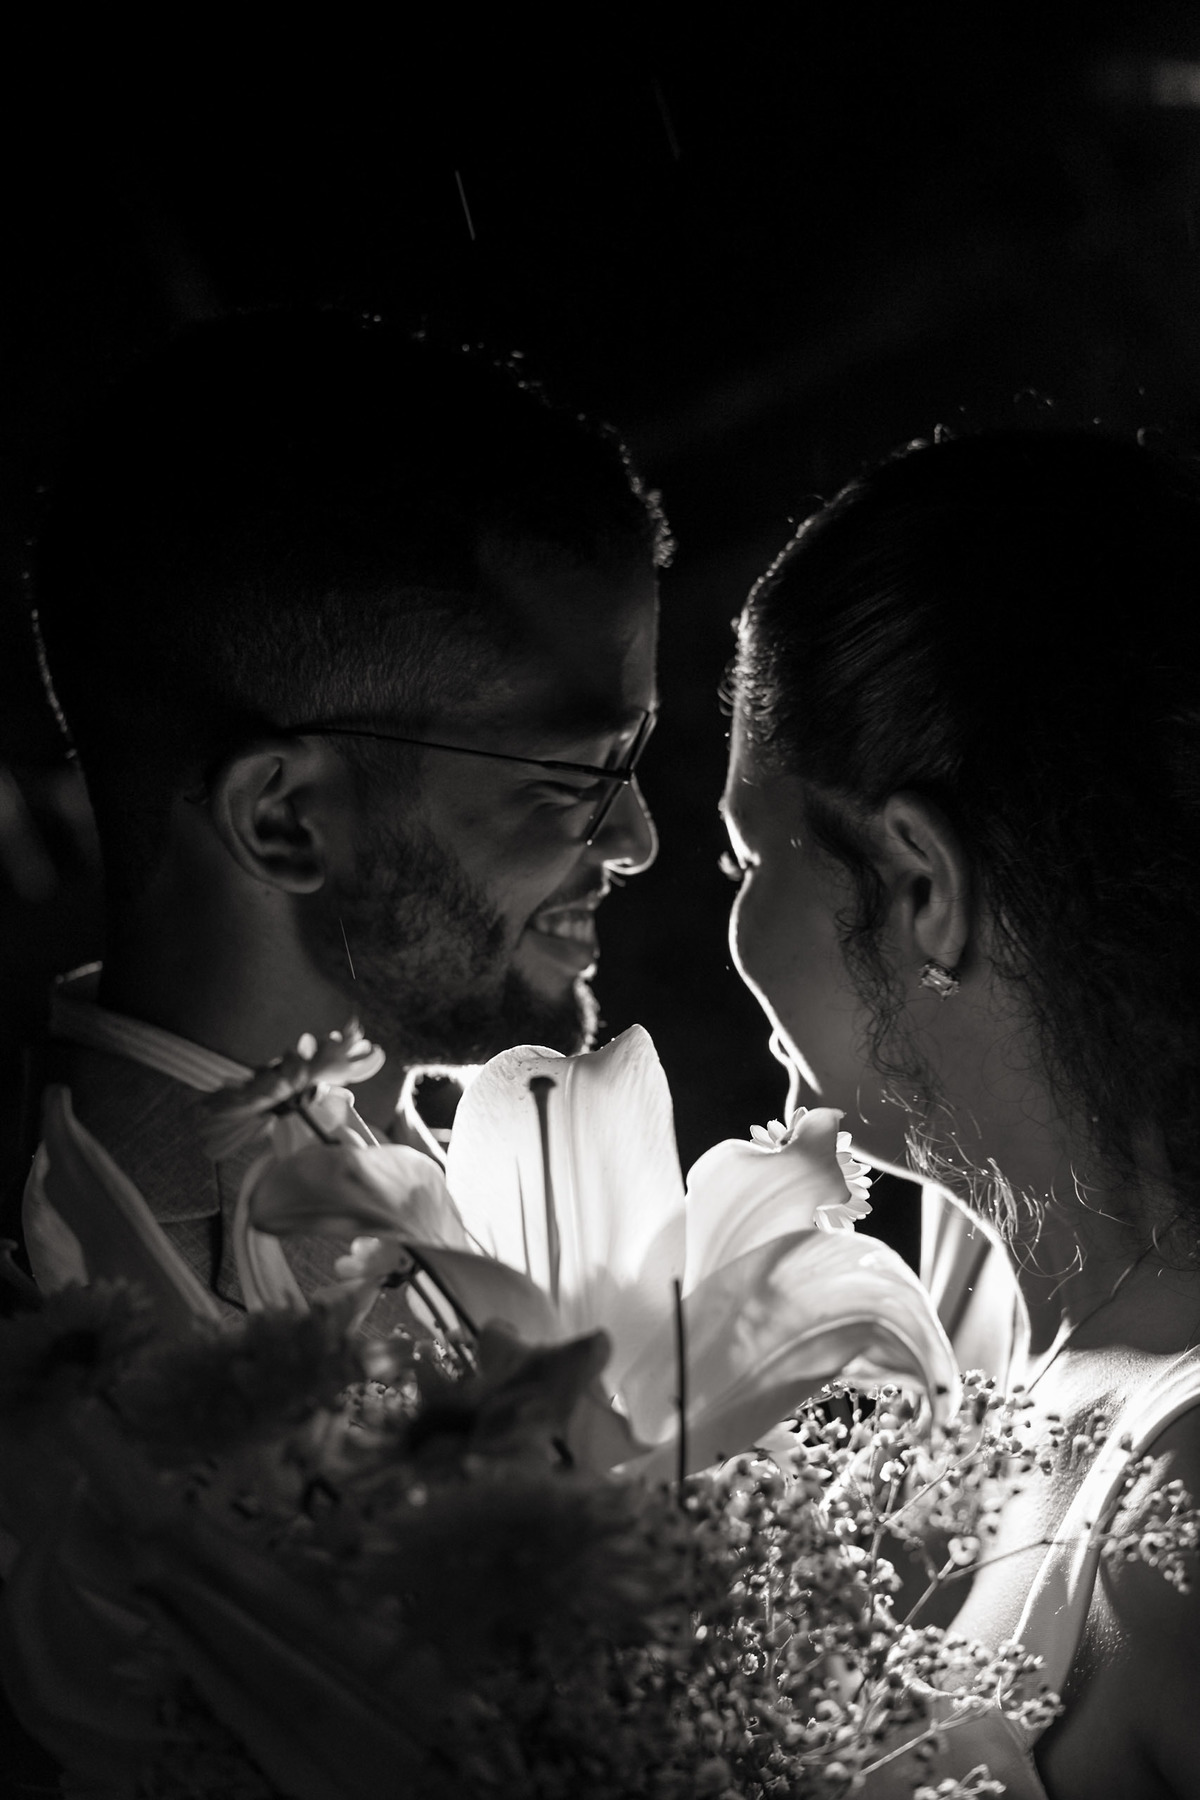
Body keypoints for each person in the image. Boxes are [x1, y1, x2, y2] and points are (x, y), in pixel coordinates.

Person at [722, 429, 1200, 1797]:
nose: (735, 931)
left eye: (746, 857)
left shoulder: (1186, 1505)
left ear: (921, 880)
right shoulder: (985, 1305)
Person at [20, 307, 666, 1311]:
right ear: (284, 818)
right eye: (573, 778)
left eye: (632, 760)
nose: (634, 840)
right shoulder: (88, 1326)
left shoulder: (504, 1189)